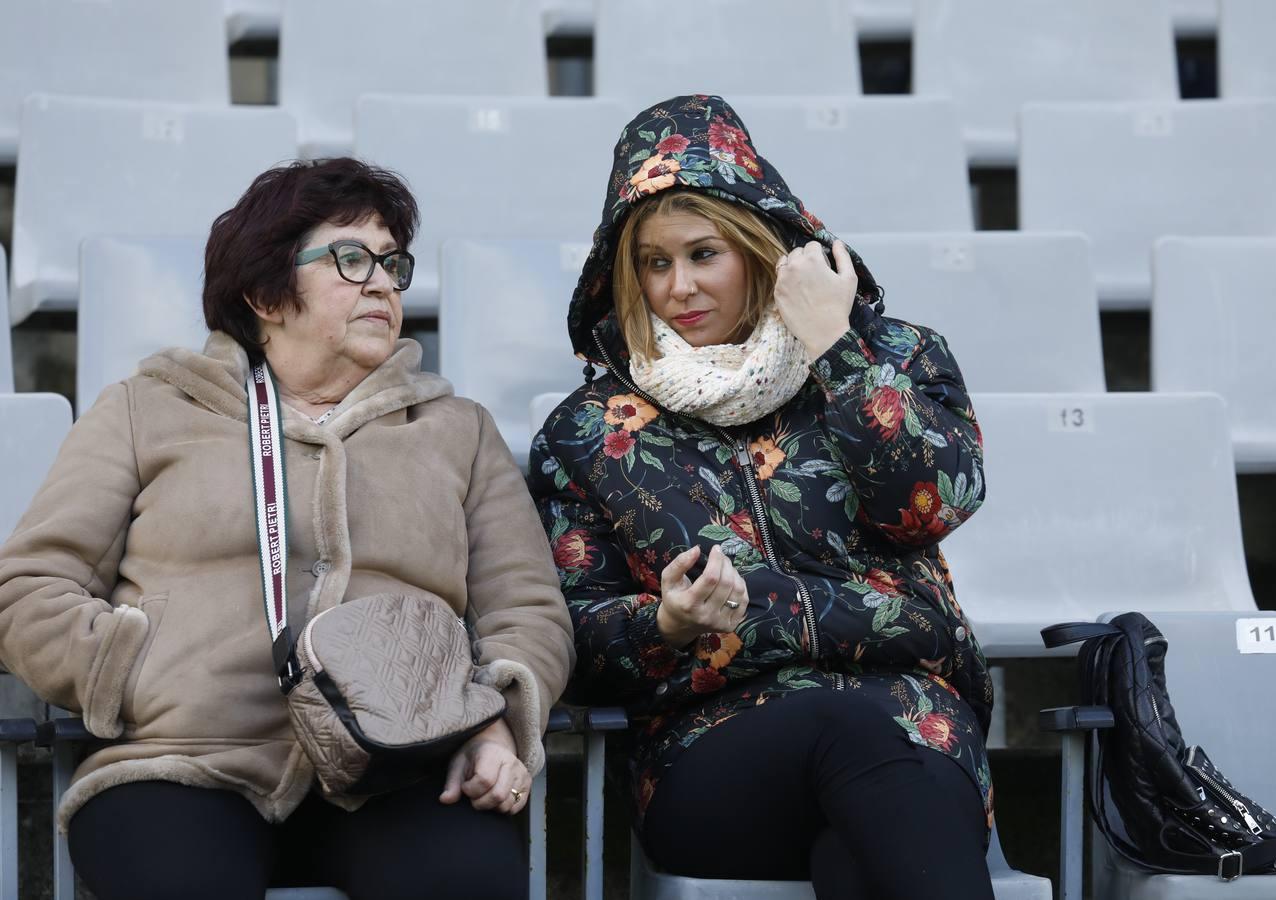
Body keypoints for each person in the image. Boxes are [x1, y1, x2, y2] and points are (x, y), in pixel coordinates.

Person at [0, 158, 574, 900]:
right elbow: (29, 589)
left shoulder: (455, 429)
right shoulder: (148, 409)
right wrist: (130, 668)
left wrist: (495, 724)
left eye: (393, 264)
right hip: (187, 762)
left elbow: (527, 611)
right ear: (266, 291)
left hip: (399, 769)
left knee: (466, 881)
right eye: (351, 258)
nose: (383, 283)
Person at [529, 95, 995, 899]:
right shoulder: (589, 431)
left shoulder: (896, 357)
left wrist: (835, 348)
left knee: (861, 853)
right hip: (711, 748)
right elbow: (576, 636)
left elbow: (933, 500)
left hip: (910, 715)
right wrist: (666, 621)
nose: (679, 287)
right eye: (654, 263)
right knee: (859, 749)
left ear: (762, 247)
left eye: (704, 253)